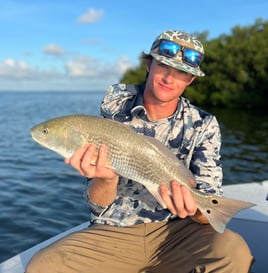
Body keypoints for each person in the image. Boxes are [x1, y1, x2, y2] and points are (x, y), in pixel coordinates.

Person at [26, 30, 254, 273]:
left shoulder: (204, 124)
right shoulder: (115, 109)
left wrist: (194, 207)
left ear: (191, 80)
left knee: (234, 252)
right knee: (43, 266)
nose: (170, 77)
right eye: (163, 65)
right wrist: (106, 177)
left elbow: (208, 211)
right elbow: (97, 207)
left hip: (178, 231)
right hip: (114, 232)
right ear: (149, 64)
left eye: (182, 72)